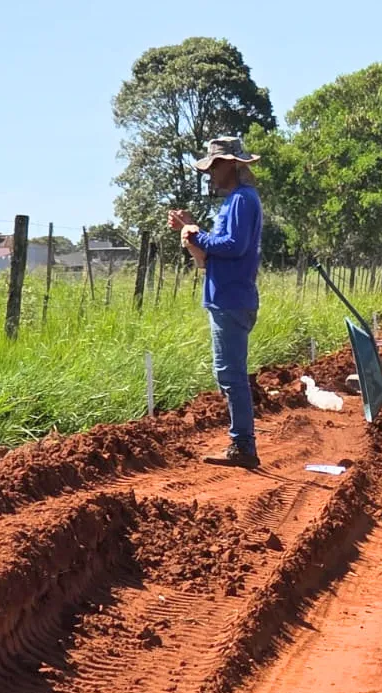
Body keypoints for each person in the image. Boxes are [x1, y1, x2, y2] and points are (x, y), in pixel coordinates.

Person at [169, 136, 265, 469]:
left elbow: (232, 245)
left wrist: (195, 234)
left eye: (213, 168)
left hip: (230, 298)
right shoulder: (239, 200)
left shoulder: (241, 200)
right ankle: (242, 443)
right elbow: (223, 249)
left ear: (230, 165)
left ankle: (243, 447)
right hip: (229, 295)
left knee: (231, 375)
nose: (210, 175)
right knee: (228, 373)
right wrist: (192, 231)